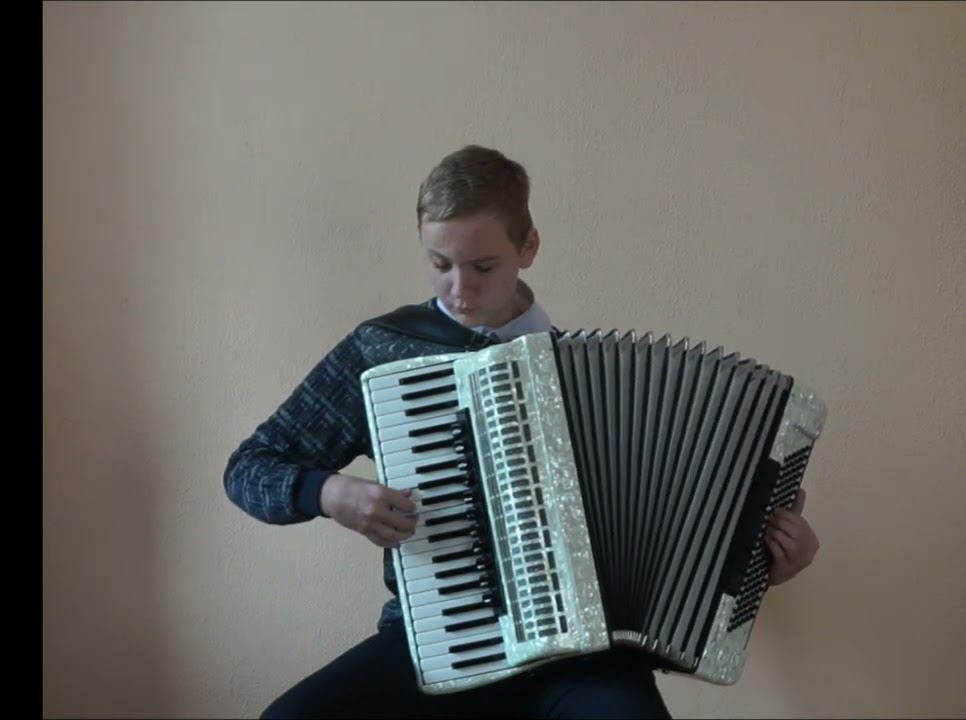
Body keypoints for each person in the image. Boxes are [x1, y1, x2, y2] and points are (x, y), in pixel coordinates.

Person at [223, 145, 821, 719]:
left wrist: (765, 563)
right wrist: (329, 493)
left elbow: (696, 540)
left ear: (527, 247)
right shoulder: (382, 350)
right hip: (441, 644)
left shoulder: (588, 375)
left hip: (585, 658)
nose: (459, 289)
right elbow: (250, 467)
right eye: (440, 264)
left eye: (482, 267)